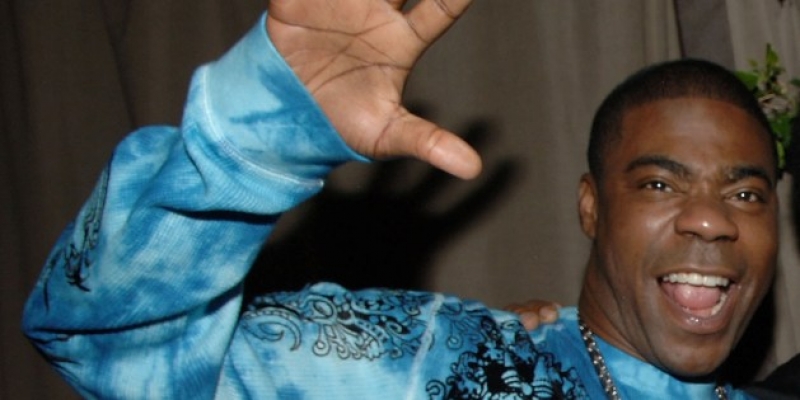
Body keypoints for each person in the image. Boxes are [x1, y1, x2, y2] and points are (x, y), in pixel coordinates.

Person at [22, 0, 778, 398]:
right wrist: (261, 128)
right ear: (591, 207)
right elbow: (106, 339)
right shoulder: (426, 363)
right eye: (658, 183)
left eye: (746, 192)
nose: (710, 219)